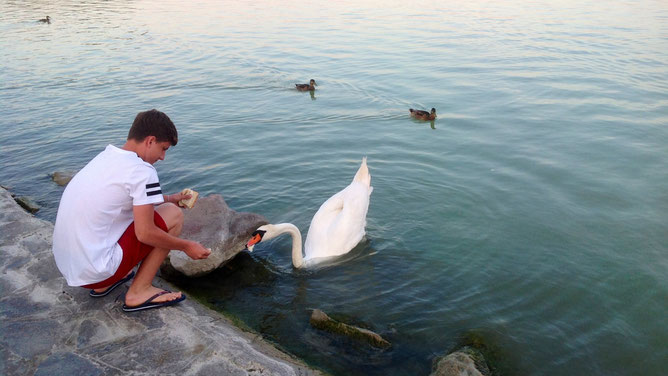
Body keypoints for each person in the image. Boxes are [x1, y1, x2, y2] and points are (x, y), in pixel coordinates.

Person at [52, 109, 211, 312]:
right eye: (163, 149)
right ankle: (139, 291)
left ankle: (105, 284)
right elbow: (145, 233)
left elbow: (123, 198)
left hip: (73, 268)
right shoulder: (143, 171)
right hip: (96, 271)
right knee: (173, 214)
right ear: (150, 140)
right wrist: (186, 246)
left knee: (165, 206)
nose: (162, 157)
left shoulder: (107, 156)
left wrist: (170, 198)